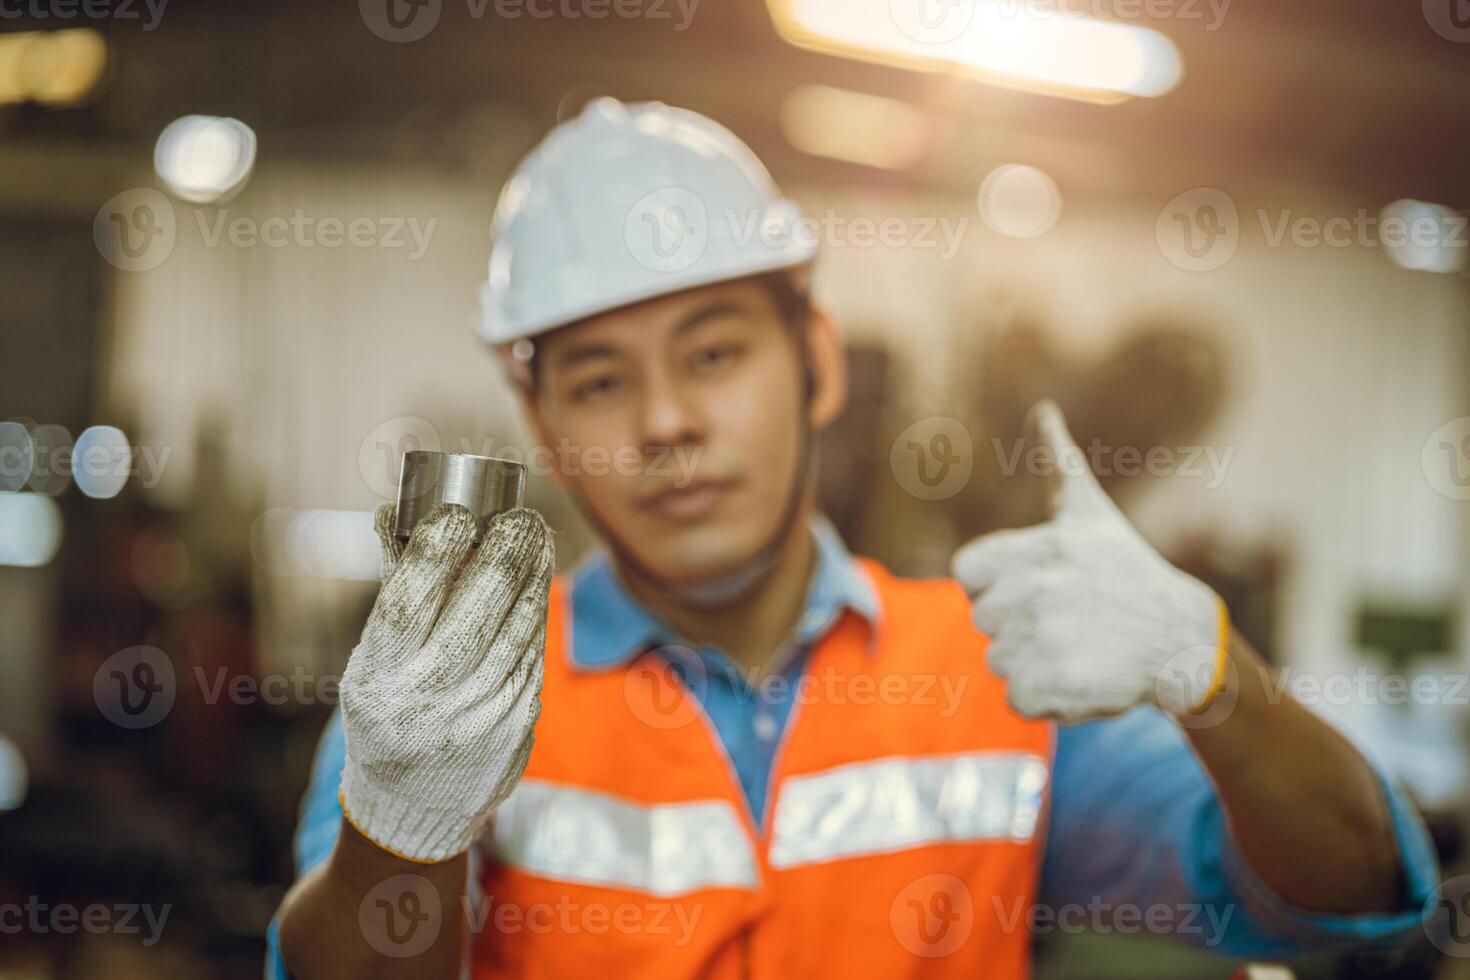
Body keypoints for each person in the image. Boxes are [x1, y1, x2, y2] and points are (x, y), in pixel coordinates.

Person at [270, 98, 1439, 979]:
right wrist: (407, 828)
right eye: (599, 379)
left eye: (715, 352)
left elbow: (1352, 897)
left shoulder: (1001, 676)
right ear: (542, 424)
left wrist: (1214, 674)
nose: (668, 419)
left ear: (818, 360)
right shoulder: (448, 702)